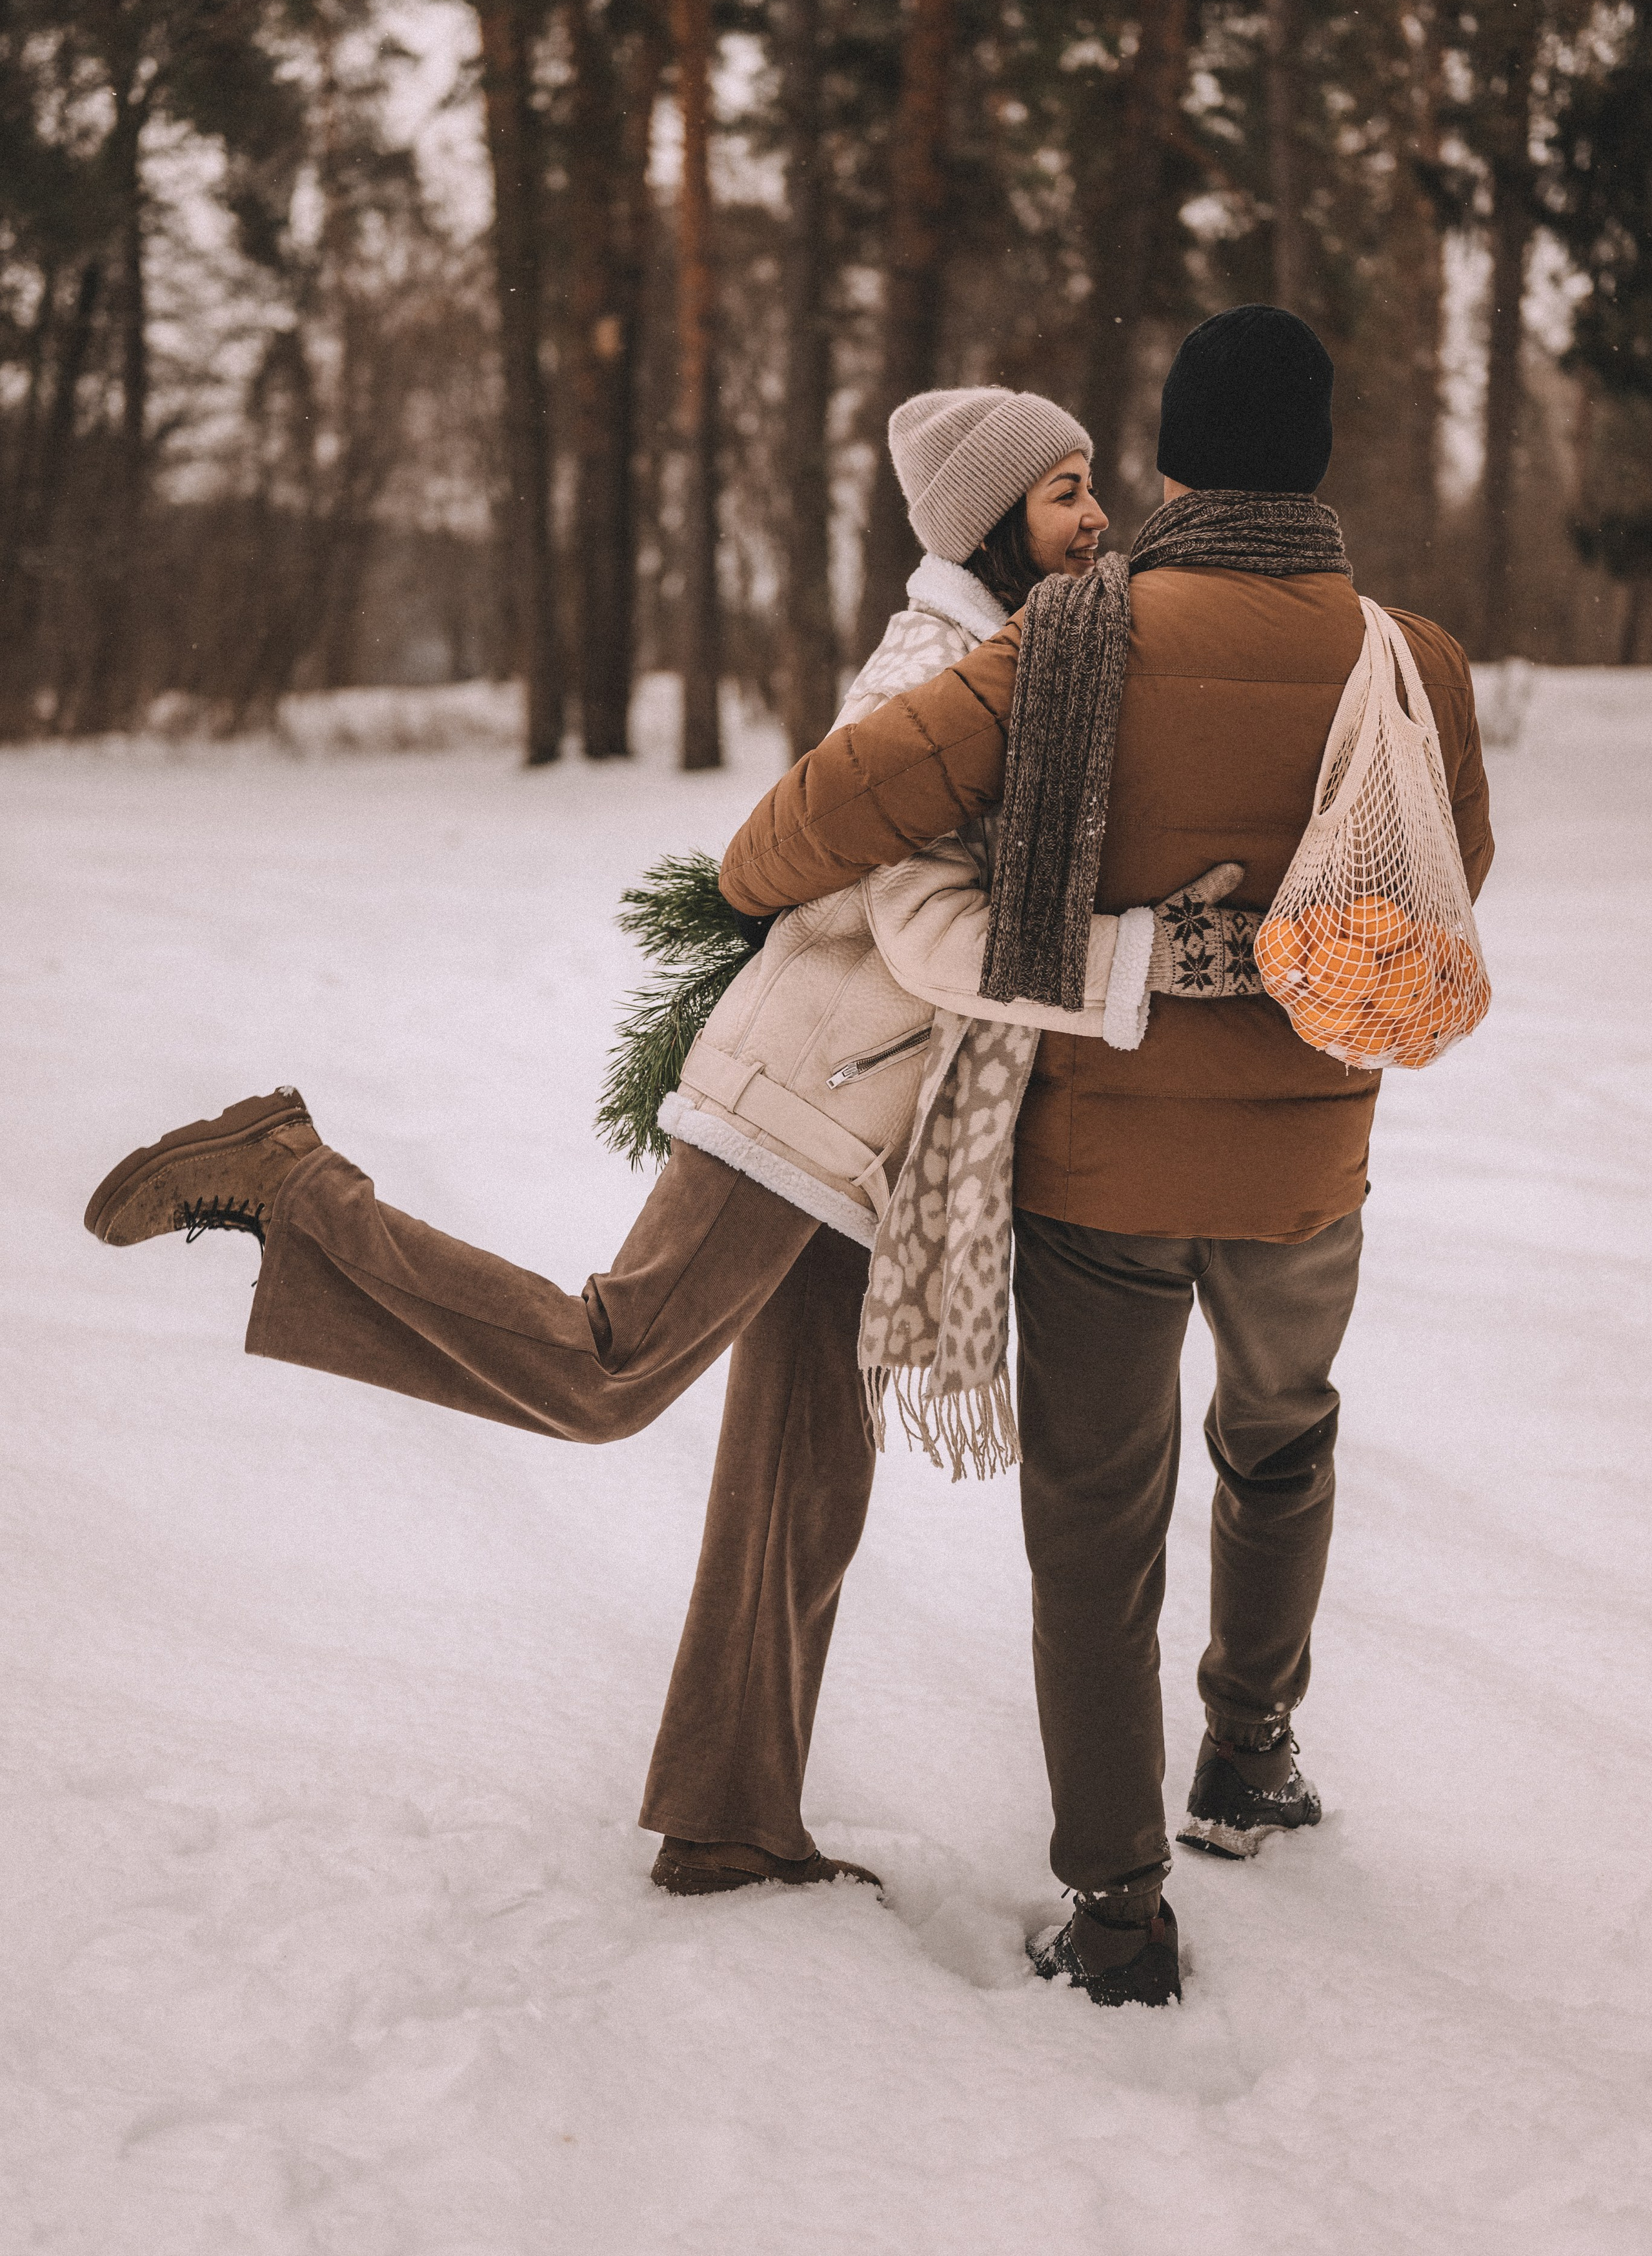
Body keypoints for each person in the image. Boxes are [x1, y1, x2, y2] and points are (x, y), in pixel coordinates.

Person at [82, 388, 1261, 1906]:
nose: (1094, 515)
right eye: (1060, 490)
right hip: (801, 1100)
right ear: (986, 522)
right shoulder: (934, 675)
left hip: (862, 1135)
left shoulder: (1014, 662)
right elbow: (925, 929)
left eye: (1091, 481)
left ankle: (727, 1817)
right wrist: (1146, 958)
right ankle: (296, 1184)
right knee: (606, 1366)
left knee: (804, 1477)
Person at [709, 305, 1494, 2008]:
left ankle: (1118, 1902)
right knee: (1278, 1444)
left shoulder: (1072, 639)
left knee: (1092, 1519)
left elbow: (817, 817)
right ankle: (1248, 1751)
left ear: (1168, 460)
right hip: (1302, 1168)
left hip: (1096, 1175)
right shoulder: (1410, 663)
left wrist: (745, 883)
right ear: (1321, 459)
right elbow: (1442, 896)